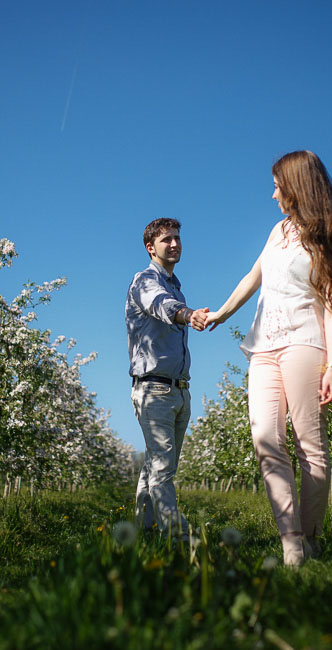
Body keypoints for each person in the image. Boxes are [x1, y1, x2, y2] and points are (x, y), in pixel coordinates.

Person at [204, 151, 332, 565]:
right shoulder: (279, 230)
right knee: (266, 441)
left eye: (278, 185)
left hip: (305, 345)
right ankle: (292, 544)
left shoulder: (329, 237)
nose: (273, 194)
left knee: (311, 447)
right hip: (263, 348)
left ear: (297, 186)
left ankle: (309, 538)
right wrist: (220, 313)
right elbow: (253, 277)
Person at [126, 217, 209, 539]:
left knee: (158, 463)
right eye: (166, 240)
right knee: (162, 465)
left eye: (177, 238)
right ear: (151, 247)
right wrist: (189, 315)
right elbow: (162, 306)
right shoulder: (145, 281)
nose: (174, 244)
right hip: (153, 389)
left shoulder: (175, 284)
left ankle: (143, 529)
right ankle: (178, 536)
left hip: (178, 389)